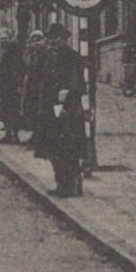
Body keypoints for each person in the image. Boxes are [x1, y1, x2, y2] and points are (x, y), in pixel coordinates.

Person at [36, 22, 87, 196]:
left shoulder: (72, 57)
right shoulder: (49, 57)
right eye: (50, 38)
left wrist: (68, 92)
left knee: (68, 146)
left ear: (64, 39)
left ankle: (71, 184)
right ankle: (62, 183)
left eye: (56, 38)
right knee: (53, 148)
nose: (53, 41)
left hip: (68, 108)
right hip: (50, 108)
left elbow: (80, 84)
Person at [0, 28, 26, 144]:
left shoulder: (15, 50)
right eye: (1, 38)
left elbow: (20, 68)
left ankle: (15, 135)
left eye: (5, 38)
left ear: (9, 39)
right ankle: (7, 134)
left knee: (13, 110)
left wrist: (19, 84)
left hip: (12, 85)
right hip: (0, 85)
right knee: (3, 109)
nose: (3, 40)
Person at [19, 28, 49, 155]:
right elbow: (26, 67)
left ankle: (40, 139)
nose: (36, 43)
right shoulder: (29, 53)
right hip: (31, 86)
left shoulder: (45, 53)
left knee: (41, 112)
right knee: (30, 111)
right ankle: (35, 136)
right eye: (33, 40)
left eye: (38, 40)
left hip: (41, 85)